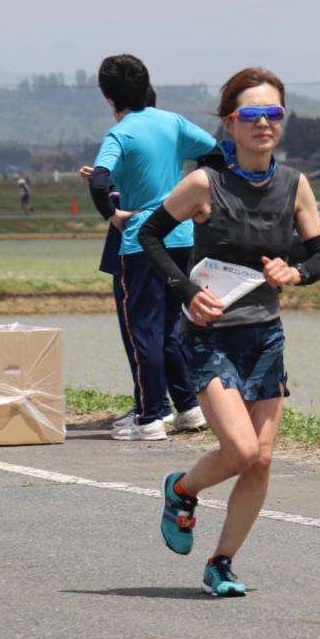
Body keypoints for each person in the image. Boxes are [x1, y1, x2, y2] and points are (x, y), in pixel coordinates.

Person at [139, 67, 320, 597]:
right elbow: (152, 234)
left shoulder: (294, 185)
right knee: (242, 451)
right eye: (252, 115)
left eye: (274, 114)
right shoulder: (206, 183)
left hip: (264, 337)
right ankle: (181, 489)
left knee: (262, 459)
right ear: (230, 123)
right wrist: (184, 291)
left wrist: (295, 273)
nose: (264, 124)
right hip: (209, 334)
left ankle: (221, 563)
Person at [82, 54, 215, 441]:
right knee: (173, 326)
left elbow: (98, 181)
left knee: (144, 329)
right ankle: (188, 407)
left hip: (140, 239)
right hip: (180, 236)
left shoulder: (120, 133)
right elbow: (216, 153)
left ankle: (150, 416)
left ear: (109, 97)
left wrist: (112, 213)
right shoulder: (172, 121)